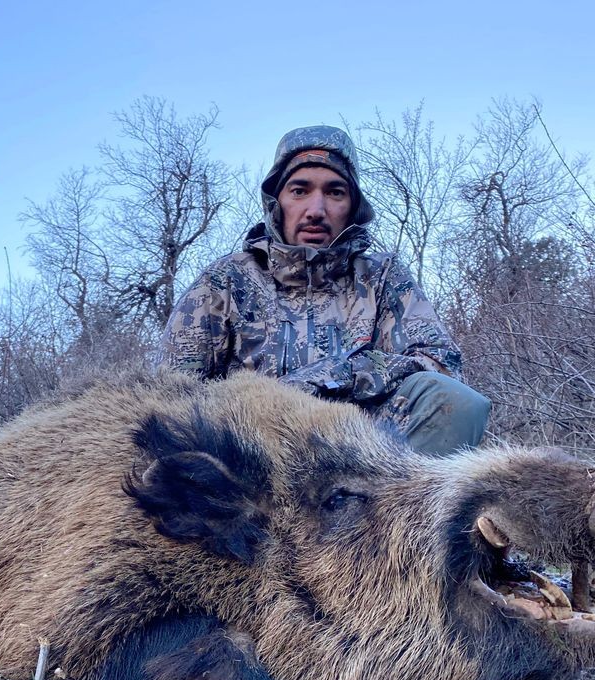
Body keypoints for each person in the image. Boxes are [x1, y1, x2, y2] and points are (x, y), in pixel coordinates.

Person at [156, 125, 489, 456]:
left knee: (459, 404)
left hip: (361, 459)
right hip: (252, 465)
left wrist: (337, 377)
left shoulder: (382, 278)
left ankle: (399, 510)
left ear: (352, 206)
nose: (316, 210)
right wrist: (260, 410)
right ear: (276, 203)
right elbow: (171, 397)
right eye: (299, 191)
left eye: (335, 192)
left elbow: (441, 366)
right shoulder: (225, 280)